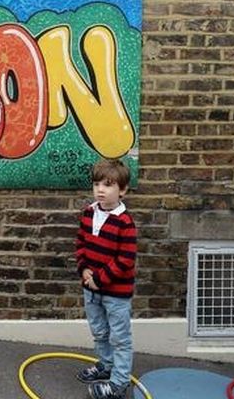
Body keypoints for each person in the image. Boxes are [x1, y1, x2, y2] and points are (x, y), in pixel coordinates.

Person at [74, 159, 137, 399]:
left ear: (122, 190)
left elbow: (125, 260)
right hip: (90, 289)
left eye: (108, 185)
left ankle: (120, 383)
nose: (100, 189)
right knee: (99, 332)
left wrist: (99, 278)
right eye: (97, 183)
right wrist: (84, 270)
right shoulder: (89, 213)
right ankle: (106, 365)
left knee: (119, 337)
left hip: (115, 293)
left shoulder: (125, 223)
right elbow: (80, 245)